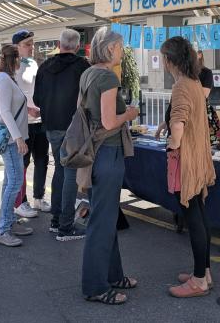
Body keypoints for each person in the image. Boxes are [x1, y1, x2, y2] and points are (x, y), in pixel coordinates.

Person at [80, 27, 139, 305]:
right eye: (120, 47)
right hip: (108, 153)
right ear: (110, 48)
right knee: (102, 223)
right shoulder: (106, 77)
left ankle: (114, 275)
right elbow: (108, 122)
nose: (122, 51)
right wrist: (129, 112)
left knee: (105, 218)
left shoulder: (89, 74)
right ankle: (95, 286)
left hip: (94, 153)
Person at [161, 37, 216, 298]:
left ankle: (198, 280)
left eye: (163, 57)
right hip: (199, 157)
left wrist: (172, 144)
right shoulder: (195, 82)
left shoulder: (182, 86)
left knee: (194, 219)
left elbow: (179, 122)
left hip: (188, 160)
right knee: (200, 217)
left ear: (170, 60)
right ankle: (203, 272)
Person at [33, 29, 90, 240]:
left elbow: (37, 100)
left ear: (59, 43)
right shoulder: (83, 67)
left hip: (50, 126)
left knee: (60, 169)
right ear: (76, 46)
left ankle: (56, 221)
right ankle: (65, 226)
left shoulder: (45, 66)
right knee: (70, 174)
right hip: (73, 128)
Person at [0, 44, 35, 247]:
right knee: (15, 182)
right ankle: (3, 230)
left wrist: (29, 111)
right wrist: (18, 138)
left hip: (12, 137)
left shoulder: (6, 79)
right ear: (15, 60)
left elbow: (11, 108)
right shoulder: (3, 80)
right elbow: (5, 112)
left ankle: (7, 223)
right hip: (10, 139)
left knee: (10, 182)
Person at [13, 29, 50, 217]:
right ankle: (21, 202)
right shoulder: (13, 67)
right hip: (23, 122)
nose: (32, 47)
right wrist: (28, 110)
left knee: (42, 160)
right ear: (17, 47)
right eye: (27, 44)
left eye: (33, 43)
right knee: (23, 163)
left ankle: (38, 198)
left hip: (40, 120)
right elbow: (11, 98)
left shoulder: (34, 63)